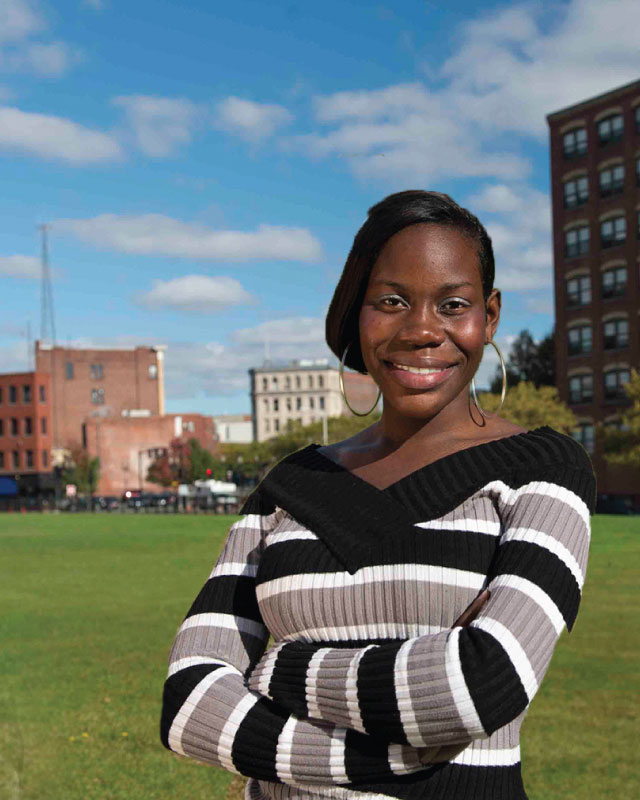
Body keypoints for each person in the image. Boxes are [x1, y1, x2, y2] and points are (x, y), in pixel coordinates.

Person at [160, 191, 595, 800]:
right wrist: (385, 758)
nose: (421, 330)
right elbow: (188, 705)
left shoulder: (543, 469)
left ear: (489, 316)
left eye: (453, 304)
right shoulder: (290, 484)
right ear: (356, 313)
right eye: (391, 301)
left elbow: (480, 685)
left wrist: (279, 667)